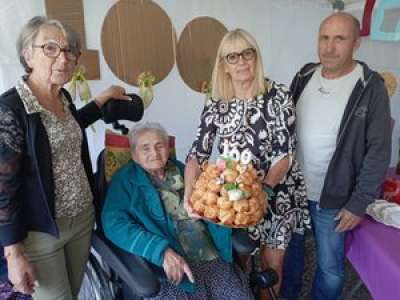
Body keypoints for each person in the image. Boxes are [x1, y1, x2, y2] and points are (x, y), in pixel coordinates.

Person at [0, 16, 131, 299]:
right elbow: (3, 188)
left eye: (70, 50)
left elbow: (66, 130)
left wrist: (101, 100)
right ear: (27, 55)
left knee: (74, 292)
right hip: (42, 233)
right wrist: (13, 253)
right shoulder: (10, 109)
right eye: (50, 48)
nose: (63, 57)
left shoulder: (63, 98)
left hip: (82, 221)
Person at [184, 28, 310, 296]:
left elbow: (284, 154)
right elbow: (197, 154)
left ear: (256, 57)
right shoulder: (217, 102)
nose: (241, 61)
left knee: (270, 264)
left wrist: (263, 191)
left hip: (276, 192)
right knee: (237, 260)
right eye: (232, 56)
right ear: (224, 65)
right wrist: (189, 196)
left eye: (247, 53)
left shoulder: (278, 95)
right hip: (234, 197)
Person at [283, 12, 391, 300]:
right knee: (290, 256)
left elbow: (378, 152)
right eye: (324, 38)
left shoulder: (371, 87)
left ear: (356, 43)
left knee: (330, 269)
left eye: (339, 39)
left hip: (333, 197)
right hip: (293, 190)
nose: (329, 48)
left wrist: (358, 203)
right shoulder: (304, 75)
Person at [102, 122, 252, 299]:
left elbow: (207, 201)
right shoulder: (125, 180)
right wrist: (160, 251)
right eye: (145, 148)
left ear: (167, 148)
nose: (155, 153)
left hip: (211, 257)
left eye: (160, 146)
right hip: (171, 270)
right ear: (134, 155)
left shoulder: (180, 169)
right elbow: (113, 223)